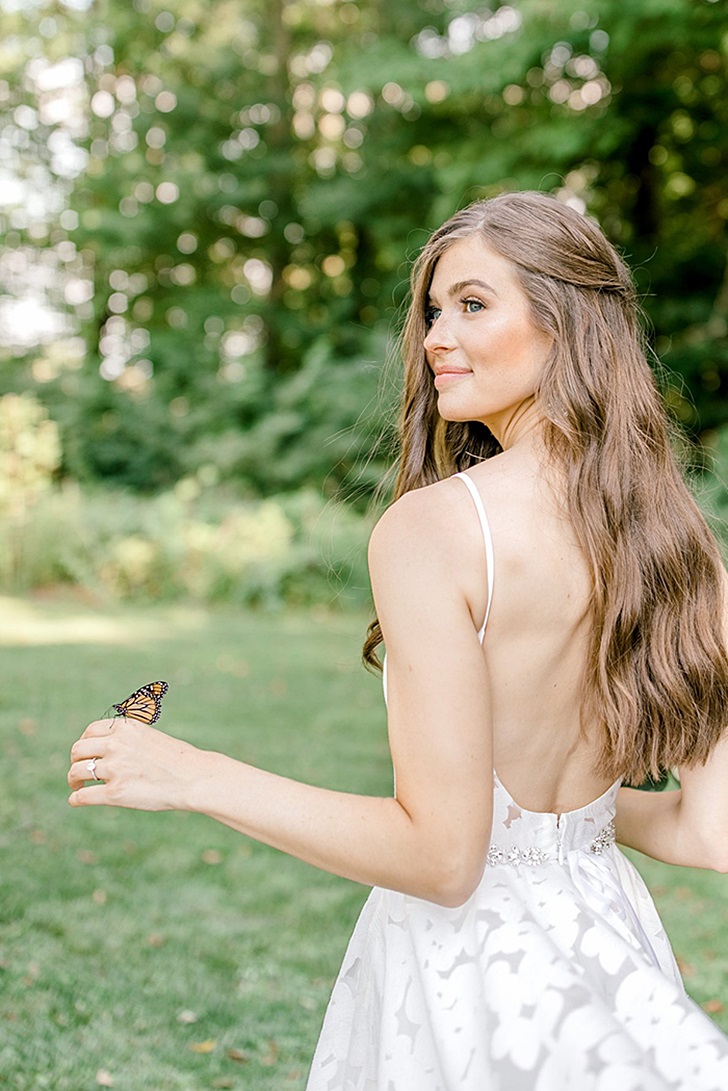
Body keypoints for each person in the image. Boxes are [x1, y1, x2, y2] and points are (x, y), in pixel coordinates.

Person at [68, 190, 728, 1090]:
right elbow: (708, 830)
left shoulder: (437, 530)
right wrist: (567, 825)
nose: (434, 338)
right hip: (610, 950)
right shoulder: (679, 543)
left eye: (471, 304)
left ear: (567, 322)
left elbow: (444, 859)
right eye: (432, 311)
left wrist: (193, 775)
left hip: (471, 971)